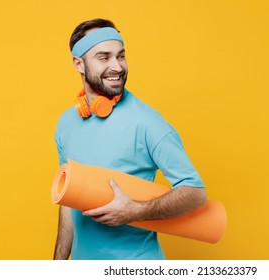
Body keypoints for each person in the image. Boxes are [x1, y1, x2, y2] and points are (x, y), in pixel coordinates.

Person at [53, 18, 207, 260]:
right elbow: (68, 199)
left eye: (121, 56)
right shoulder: (66, 124)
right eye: (104, 58)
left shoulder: (147, 123)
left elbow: (195, 192)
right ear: (79, 64)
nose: (117, 67)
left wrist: (135, 211)